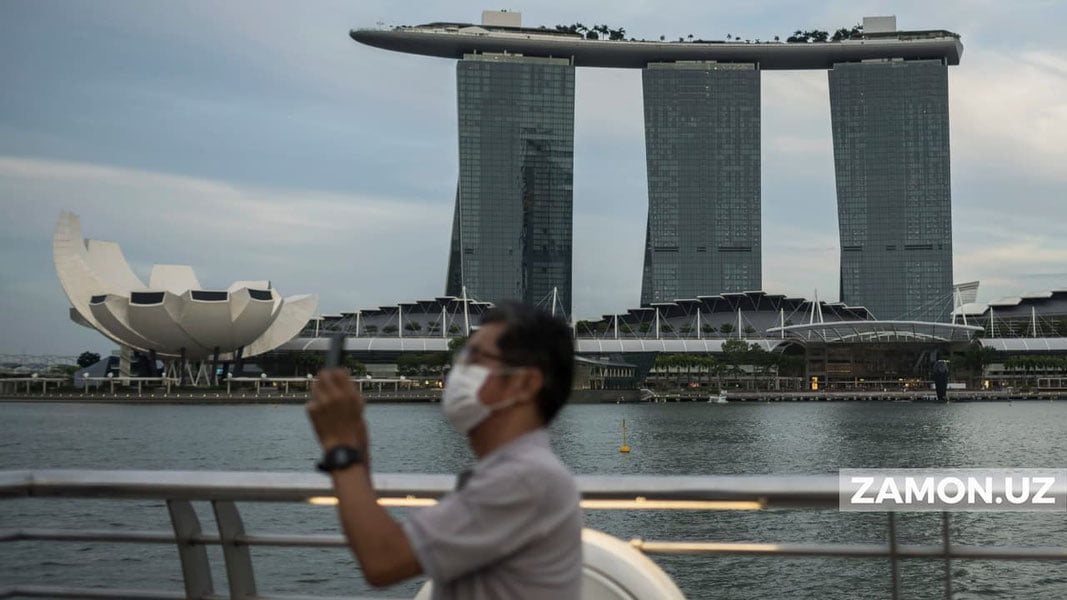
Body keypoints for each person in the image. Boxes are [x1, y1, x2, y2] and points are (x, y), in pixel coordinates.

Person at [306, 301, 582, 599]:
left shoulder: (524, 479)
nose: (458, 371)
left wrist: (341, 447)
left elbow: (383, 559)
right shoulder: (513, 471)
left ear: (525, 383)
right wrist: (354, 442)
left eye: (476, 357)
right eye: (462, 357)